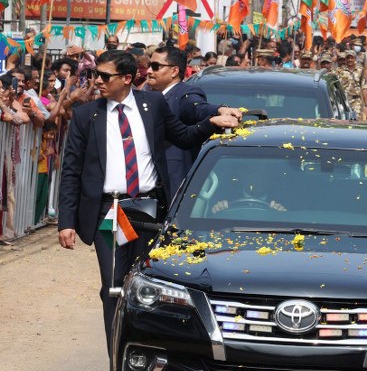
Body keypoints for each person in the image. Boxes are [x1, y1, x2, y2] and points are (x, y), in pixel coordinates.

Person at [57, 50, 240, 353]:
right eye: (96, 75)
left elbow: (182, 136)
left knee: (150, 283)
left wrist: (213, 122)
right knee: (115, 286)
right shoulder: (86, 115)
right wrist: (66, 221)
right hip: (111, 211)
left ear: (127, 78)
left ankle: (147, 350)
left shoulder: (152, 105)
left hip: (149, 207)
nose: (97, 81)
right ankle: (117, 353)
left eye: (105, 76)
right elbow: (71, 170)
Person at [145, 46, 242, 197]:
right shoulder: (147, 95)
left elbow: (197, 108)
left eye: (156, 66)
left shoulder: (184, 94)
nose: (149, 71)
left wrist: (219, 110)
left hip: (173, 185)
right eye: (149, 66)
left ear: (174, 71)